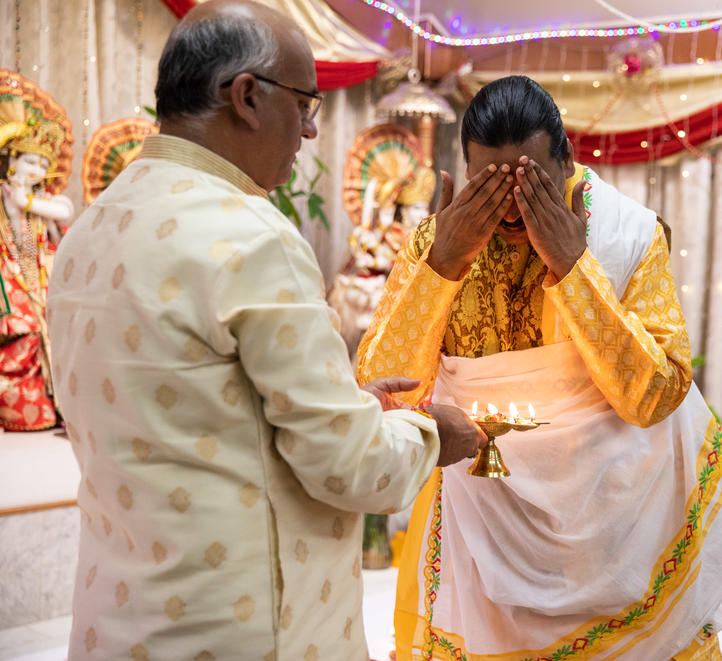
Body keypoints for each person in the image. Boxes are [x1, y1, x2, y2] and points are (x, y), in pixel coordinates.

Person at [47, 2, 486, 659]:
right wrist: (434, 429)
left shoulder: (88, 230)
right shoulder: (250, 236)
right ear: (247, 96)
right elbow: (351, 468)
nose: (311, 130)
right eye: (307, 103)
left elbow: (194, 423)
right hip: (243, 631)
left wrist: (353, 408)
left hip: (121, 622)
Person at [357, 75, 722, 660]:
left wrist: (574, 267)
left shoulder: (626, 236)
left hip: (611, 532)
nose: (509, 207)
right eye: (488, 184)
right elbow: (386, 393)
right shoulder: (438, 240)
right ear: (465, 172)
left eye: (529, 182)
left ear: (567, 162)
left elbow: (653, 395)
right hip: (478, 527)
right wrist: (441, 265)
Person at [0, 89, 74, 431]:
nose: (37, 169)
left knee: (54, 335)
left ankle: (50, 405)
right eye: (30, 161)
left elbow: (66, 211)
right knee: (23, 334)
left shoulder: (43, 200)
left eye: (43, 165)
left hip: (42, 279)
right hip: (9, 279)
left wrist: (27, 202)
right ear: (10, 159)